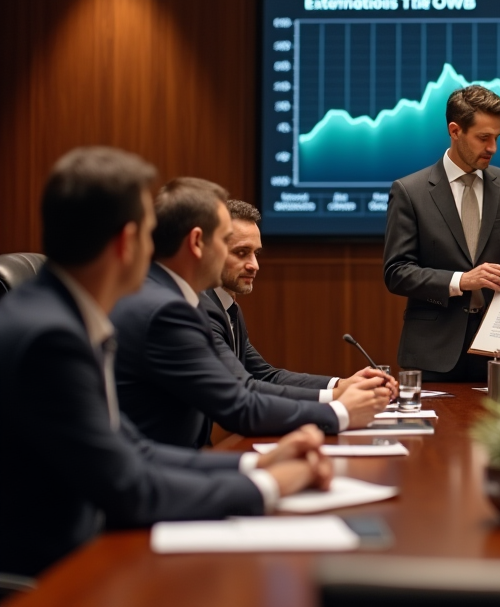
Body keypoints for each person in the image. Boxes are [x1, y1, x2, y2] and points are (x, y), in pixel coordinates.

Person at [0, 148, 334, 578]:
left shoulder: (59, 314)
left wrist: (254, 462)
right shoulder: (54, 339)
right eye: (151, 233)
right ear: (126, 242)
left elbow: (133, 450)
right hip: (60, 573)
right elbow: (130, 487)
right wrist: (272, 484)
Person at [112, 178, 389, 449]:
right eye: (230, 244)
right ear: (197, 242)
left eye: (256, 253)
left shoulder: (180, 298)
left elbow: (260, 377)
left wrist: (338, 387)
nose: (254, 265)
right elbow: (239, 402)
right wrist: (341, 410)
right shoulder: (170, 310)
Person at [383, 85, 500, 383]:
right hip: (433, 350)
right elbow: (397, 272)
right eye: (483, 138)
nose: (493, 149)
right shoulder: (410, 191)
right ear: (455, 130)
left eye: (497, 138)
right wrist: (461, 280)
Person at [199, 199, 397, 402]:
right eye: (242, 253)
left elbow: (266, 376)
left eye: (256, 253)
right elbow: (242, 387)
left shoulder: (230, 309)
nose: (255, 265)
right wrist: (336, 397)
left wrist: (341, 384)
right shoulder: (202, 310)